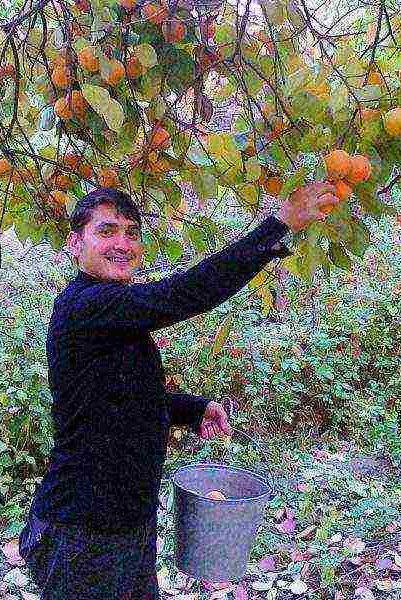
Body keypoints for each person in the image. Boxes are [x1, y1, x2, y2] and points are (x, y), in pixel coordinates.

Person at [18, 182, 340, 599]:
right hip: (84, 534)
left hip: (128, 523)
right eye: (107, 231)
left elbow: (122, 398)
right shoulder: (85, 305)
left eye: (132, 233)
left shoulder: (113, 313)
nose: (122, 243)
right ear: (75, 243)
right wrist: (278, 224)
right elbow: (185, 293)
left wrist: (193, 409)